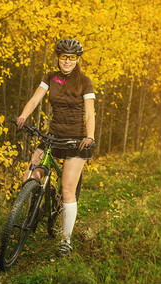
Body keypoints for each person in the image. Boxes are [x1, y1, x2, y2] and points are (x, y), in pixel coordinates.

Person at [16, 38, 95, 257]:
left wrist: (90, 135)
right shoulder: (50, 78)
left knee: (68, 190)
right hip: (53, 136)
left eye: (72, 58)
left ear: (77, 59)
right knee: (29, 176)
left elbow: (90, 112)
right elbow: (34, 100)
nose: (67, 61)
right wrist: (24, 115)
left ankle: (65, 241)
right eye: (63, 57)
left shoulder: (85, 82)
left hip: (77, 141)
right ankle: (40, 197)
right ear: (58, 58)